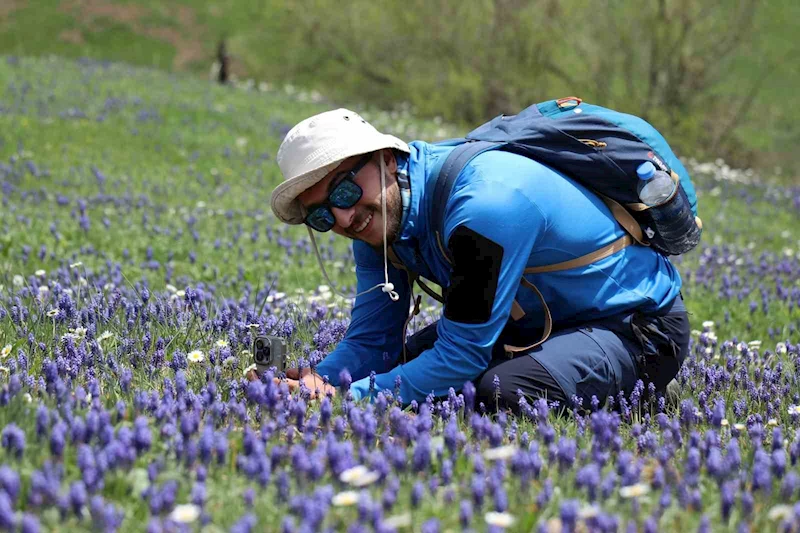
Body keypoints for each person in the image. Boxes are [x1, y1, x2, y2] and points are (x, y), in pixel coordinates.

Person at [266, 108, 690, 414]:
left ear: (388, 161)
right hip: (526, 326)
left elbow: (460, 356)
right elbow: (372, 342)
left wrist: (348, 399)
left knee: (502, 390)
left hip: (634, 327)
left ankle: (642, 392)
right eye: (321, 215)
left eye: (343, 191)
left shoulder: (487, 204)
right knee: (403, 368)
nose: (343, 217)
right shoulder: (378, 224)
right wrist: (318, 382)